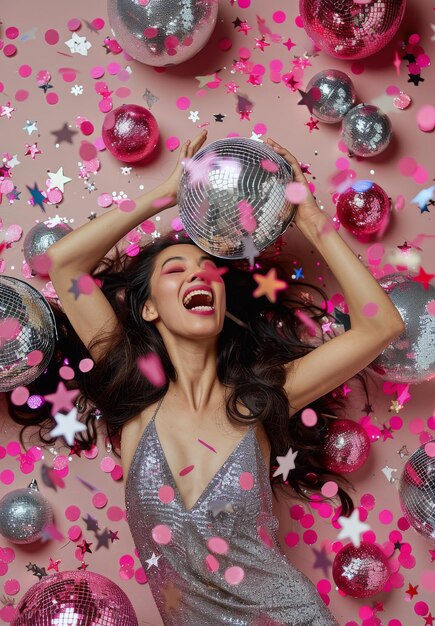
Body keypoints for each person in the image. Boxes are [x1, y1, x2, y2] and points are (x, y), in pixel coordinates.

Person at [9, 130, 404, 625]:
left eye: (209, 271)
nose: (200, 277)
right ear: (149, 307)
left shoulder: (260, 399)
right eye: (176, 270)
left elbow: (381, 325)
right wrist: (167, 193)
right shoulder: (135, 396)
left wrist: (308, 214)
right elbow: (64, 263)